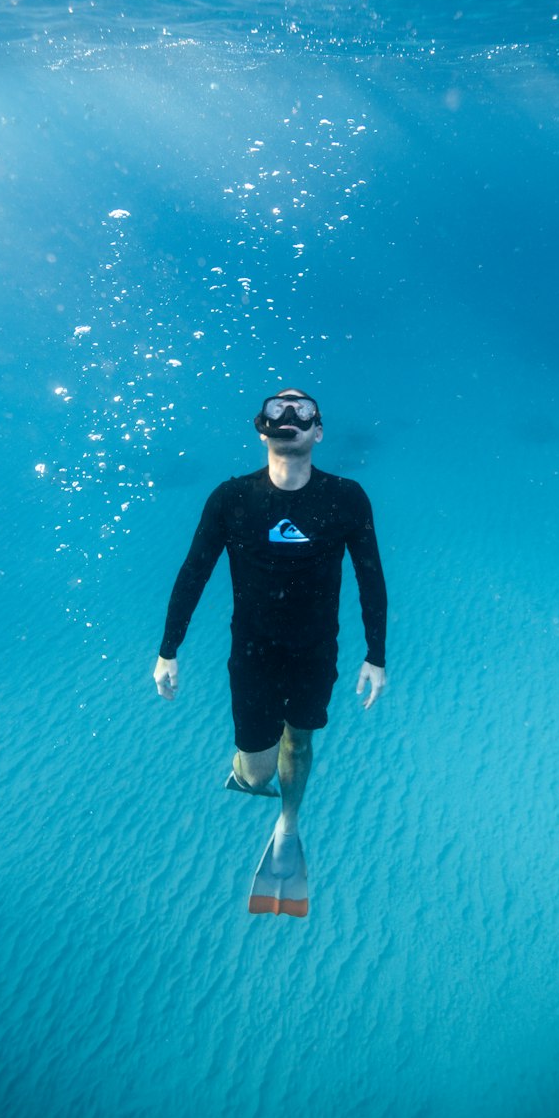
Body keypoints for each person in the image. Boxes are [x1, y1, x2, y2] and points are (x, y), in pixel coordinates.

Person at [152, 387, 387, 915]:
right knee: (256, 775)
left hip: (314, 652)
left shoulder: (347, 497)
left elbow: (371, 578)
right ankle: (251, 771)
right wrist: (169, 650)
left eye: (302, 411)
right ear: (261, 429)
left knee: (299, 743)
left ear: (318, 432)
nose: (289, 416)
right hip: (253, 656)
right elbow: (194, 572)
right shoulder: (231, 499)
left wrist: (377, 655)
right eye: (277, 410)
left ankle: (288, 825)